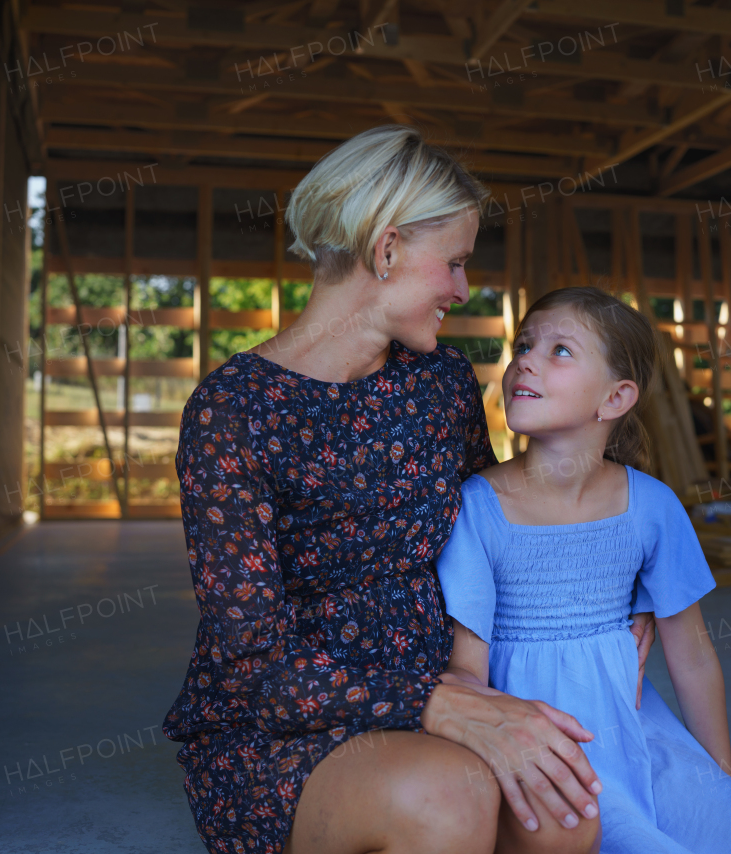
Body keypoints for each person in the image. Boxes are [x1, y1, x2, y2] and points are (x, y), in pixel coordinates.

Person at [163, 126, 618, 854]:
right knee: (449, 797)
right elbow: (250, 662)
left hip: (445, 693)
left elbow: (490, 539)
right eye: (456, 263)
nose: (465, 289)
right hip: (291, 721)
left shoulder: (441, 384)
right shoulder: (233, 411)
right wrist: (439, 705)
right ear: (387, 249)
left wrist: (613, 612)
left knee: (564, 811)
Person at [437, 287, 731, 853]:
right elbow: (469, 675)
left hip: (640, 737)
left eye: (560, 350)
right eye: (524, 344)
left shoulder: (652, 506)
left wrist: (728, 787)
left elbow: (691, 657)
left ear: (615, 398)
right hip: (540, 750)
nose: (525, 358)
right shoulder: (477, 507)